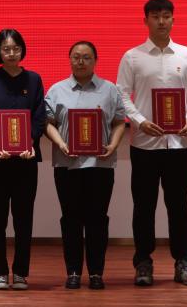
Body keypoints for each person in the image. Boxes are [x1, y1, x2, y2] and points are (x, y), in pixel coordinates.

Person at [117, 0, 187, 287]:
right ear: (146, 21)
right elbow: (121, 95)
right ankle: (143, 262)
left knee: (179, 206)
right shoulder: (132, 57)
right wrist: (140, 121)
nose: (161, 21)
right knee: (144, 206)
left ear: (173, 20)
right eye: (155, 16)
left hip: (178, 144)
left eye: (166, 16)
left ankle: (184, 262)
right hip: (144, 144)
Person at [44, 41, 126, 291]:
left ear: (95, 61)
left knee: (97, 220)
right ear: (70, 59)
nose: (81, 61)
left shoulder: (110, 90)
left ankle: (96, 273)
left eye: (87, 57)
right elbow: (47, 123)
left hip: (100, 165)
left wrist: (113, 145)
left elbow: (119, 122)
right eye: (76, 57)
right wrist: (61, 143)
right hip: (67, 164)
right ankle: (73, 271)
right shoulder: (57, 90)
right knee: (70, 219)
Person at [0, 29, 46, 291]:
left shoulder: (34, 79)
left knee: (24, 218)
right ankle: (0, 272)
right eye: (6, 49)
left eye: (16, 48)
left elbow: (39, 116)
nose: (11, 53)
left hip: (26, 160)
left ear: (22, 50)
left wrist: (30, 142)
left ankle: (20, 272)